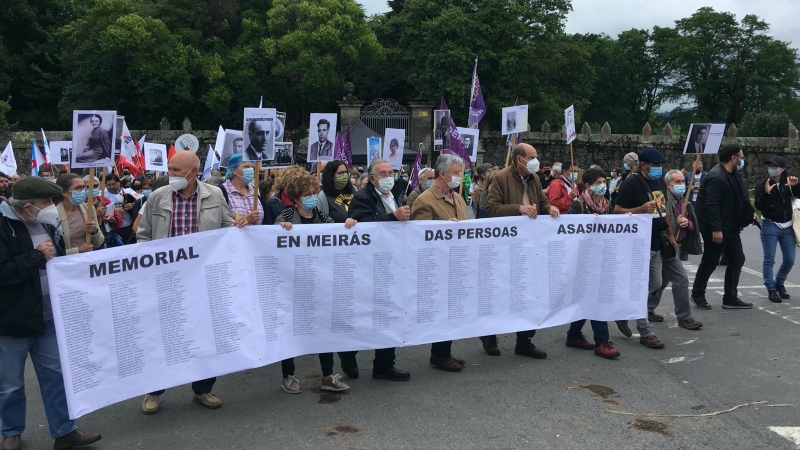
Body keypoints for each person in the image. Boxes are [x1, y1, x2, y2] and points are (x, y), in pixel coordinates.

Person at [0, 177, 102, 450]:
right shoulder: (2, 226)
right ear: (27, 205)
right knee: (10, 385)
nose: (51, 208)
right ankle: (11, 432)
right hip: (12, 322)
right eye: (46, 202)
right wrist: (34, 257)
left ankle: (64, 430)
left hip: (48, 319)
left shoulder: (47, 224)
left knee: (56, 377)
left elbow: (56, 262)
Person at [136, 151, 234, 415]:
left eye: (177, 170)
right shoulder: (158, 197)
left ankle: (203, 389)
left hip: (203, 278)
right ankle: (153, 390)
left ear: (193, 171)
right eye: (170, 169)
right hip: (166, 278)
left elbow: (228, 228)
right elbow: (143, 235)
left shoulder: (214, 195)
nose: (172, 175)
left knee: (205, 334)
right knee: (164, 336)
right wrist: (149, 266)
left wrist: (247, 224)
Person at [272, 166, 356, 392]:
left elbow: (338, 237)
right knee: (290, 329)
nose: (311, 198)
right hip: (294, 284)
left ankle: (328, 375)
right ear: (294, 197)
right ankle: (288, 375)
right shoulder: (285, 217)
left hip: (320, 283)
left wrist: (348, 225)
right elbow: (272, 245)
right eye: (306, 194)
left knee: (323, 329)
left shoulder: (323, 218)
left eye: (312, 193)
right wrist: (280, 230)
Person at [481, 144, 559, 358]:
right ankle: (489, 334)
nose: (536, 161)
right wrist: (519, 209)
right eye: (532, 157)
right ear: (518, 159)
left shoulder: (534, 179)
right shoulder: (500, 178)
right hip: (505, 246)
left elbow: (542, 204)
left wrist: (550, 209)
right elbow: (491, 208)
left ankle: (524, 341)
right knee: (500, 292)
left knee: (529, 293)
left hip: (529, 245)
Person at [348, 159, 411, 380]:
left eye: (390, 172)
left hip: (393, 261)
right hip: (371, 264)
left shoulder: (397, 192)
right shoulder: (362, 197)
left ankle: (384, 364)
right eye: (383, 174)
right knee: (364, 314)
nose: (388, 177)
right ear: (372, 178)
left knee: (389, 314)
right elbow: (362, 223)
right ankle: (348, 353)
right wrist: (393, 217)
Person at [411, 154, 469, 371]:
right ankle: (439, 354)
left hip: (457, 262)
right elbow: (419, 235)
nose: (459, 177)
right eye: (456, 173)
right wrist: (443, 228)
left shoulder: (458, 198)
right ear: (443, 174)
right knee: (442, 311)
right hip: (438, 265)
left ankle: (445, 350)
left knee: (454, 310)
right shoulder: (425, 200)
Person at [614, 147, 677, 349]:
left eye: (661, 165)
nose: (659, 168)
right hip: (637, 242)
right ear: (643, 165)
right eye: (656, 165)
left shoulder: (658, 181)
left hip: (656, 239)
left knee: (656, 283)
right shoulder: (631, 183)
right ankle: (646, 331)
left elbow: (663, 208)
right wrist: (639, 210)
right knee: (641, 288)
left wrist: (669, 233)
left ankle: (624, 309)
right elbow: (616, 210)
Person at [691, 145, 758, 310]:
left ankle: (730, 297)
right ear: (733, 158)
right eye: (741, 157)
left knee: (737, 259)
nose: (743, 161)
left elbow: (739, 199)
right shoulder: (717, 177)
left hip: (731, 227)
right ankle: (698, 293)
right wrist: (716, 229)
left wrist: (751, 214)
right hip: (718, 228)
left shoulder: (733, 175)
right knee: (711, 261)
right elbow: (711, 205)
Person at [566, 167, 620, 359]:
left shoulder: (607, 204)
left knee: (587, 298)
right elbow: (571, 233)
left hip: (602, 258)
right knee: (596, 298)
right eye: (598, 183)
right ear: (588, 186)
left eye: (604, 182)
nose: (603, 186)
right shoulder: (578, 205)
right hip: (584, 260)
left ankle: (573, 335)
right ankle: (602, 341)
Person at [647, 170, 704, 330]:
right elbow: (659, 222)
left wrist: (687, 223)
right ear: (667, 184)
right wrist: (674, 223)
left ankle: (648, 308)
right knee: (681, 279)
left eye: (682, 181)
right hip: (665, 244)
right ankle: (684, 317)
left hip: (677, 244)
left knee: (662, 280)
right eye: (677, 182)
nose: (681, 185)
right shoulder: (662, 199)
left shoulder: (683, 201)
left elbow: (691, 222)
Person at [754, 156, 799, 303]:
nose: (771, 168)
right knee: (769, 259)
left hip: (787, 227)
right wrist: (767, 193)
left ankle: (779, 282)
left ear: (782, 169)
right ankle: (771, 288)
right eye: (770, 166)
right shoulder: (762, 185)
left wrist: (796, 186)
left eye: (775, 166)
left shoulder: (788, 184)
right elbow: (759, 206)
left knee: (790, 259)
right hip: (770, 225)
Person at [54, 174, 104, 254]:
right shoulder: (54, 215)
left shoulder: (89, 209)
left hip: (87, 260)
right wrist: (78, 250)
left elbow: (99, 242)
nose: (83, 191)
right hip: (67, 263)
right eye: (77, 188)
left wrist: (94, 231)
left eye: (83, 187)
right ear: (64, 193)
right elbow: (53, 252)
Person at [220, 153, 266, 226]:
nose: (251, 170)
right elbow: (220, 222)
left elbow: (268, 221)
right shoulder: (221, 191)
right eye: (246, 166)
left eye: (252, 167)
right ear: (234, 170)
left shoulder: (256, 191)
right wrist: (246, 219)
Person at [104, 174, 136, 244]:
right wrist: (114, 211)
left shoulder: (128, 191)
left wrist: (132, 205)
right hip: (111, 229)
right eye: (108, 185)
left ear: (119, 182)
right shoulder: (102, 195)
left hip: (127, 228)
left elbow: (142, 201)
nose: (111, 187)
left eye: (114, 184)